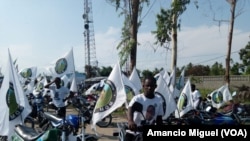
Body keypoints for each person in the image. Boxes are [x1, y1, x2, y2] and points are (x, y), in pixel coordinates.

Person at [125, 75, 164, 141]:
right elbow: (130, 109)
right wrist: (131, 121)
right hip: (134, 131)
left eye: (151, 86)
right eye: (147, 86)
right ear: (143, 86)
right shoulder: (137, 99)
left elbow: (159, 118)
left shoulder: (159, 100)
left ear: (155, 86)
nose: (149, 88)